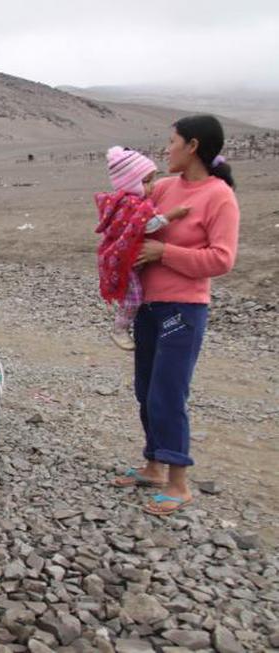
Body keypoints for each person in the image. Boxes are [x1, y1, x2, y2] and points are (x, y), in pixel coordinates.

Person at [111, 115, 239, 516]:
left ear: (193, 146)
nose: (167, 149)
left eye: (172, 141)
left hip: (184, 309)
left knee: (168, 391)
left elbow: (222, 259)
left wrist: (164, 253)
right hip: (148, 306)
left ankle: (179, 482)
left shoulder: (219, 196)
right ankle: (153, 466)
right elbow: (135, 220)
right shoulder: (165, 188)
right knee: (145, 388)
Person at [95, 147, 190, 350]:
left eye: (151, 180)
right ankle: (119, 329)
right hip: (124, 260)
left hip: (126, 258)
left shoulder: (128, 202)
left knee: (135, 294)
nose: (152, 187)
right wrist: (172, 215)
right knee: (134, 298)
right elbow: (145, 226)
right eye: (146, 182)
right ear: (130, 183)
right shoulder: (130, 204)